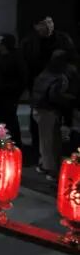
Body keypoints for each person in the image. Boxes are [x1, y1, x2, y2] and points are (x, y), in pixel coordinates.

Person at [22, 15, 76, 150]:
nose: (48, 25)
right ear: (36, 26)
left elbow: (72, 58)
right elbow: (24, 62)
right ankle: (37, 146)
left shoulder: (63, 39)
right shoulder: (29, 42)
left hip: (60, 80)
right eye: (43, 23)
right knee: (39, 113)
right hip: (38, 82)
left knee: (62, 111)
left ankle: (63, 144)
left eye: (50, 22)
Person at [32, 50, 74, 181]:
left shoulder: (46, 71)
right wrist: (68, 100)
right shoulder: (60, 76)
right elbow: (54, 96)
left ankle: (43, 164)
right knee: (50, 142)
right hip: (48, 110)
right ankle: (51, 170)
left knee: (45, 140)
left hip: (38, 109)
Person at [0, 34, 28, 147]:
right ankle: (2, 144)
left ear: (4, 45)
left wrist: (12, 90)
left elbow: (22, 78)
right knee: (0, 121)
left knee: (10, 120)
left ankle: (15, 145)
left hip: (9, 95)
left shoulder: (15, 58)